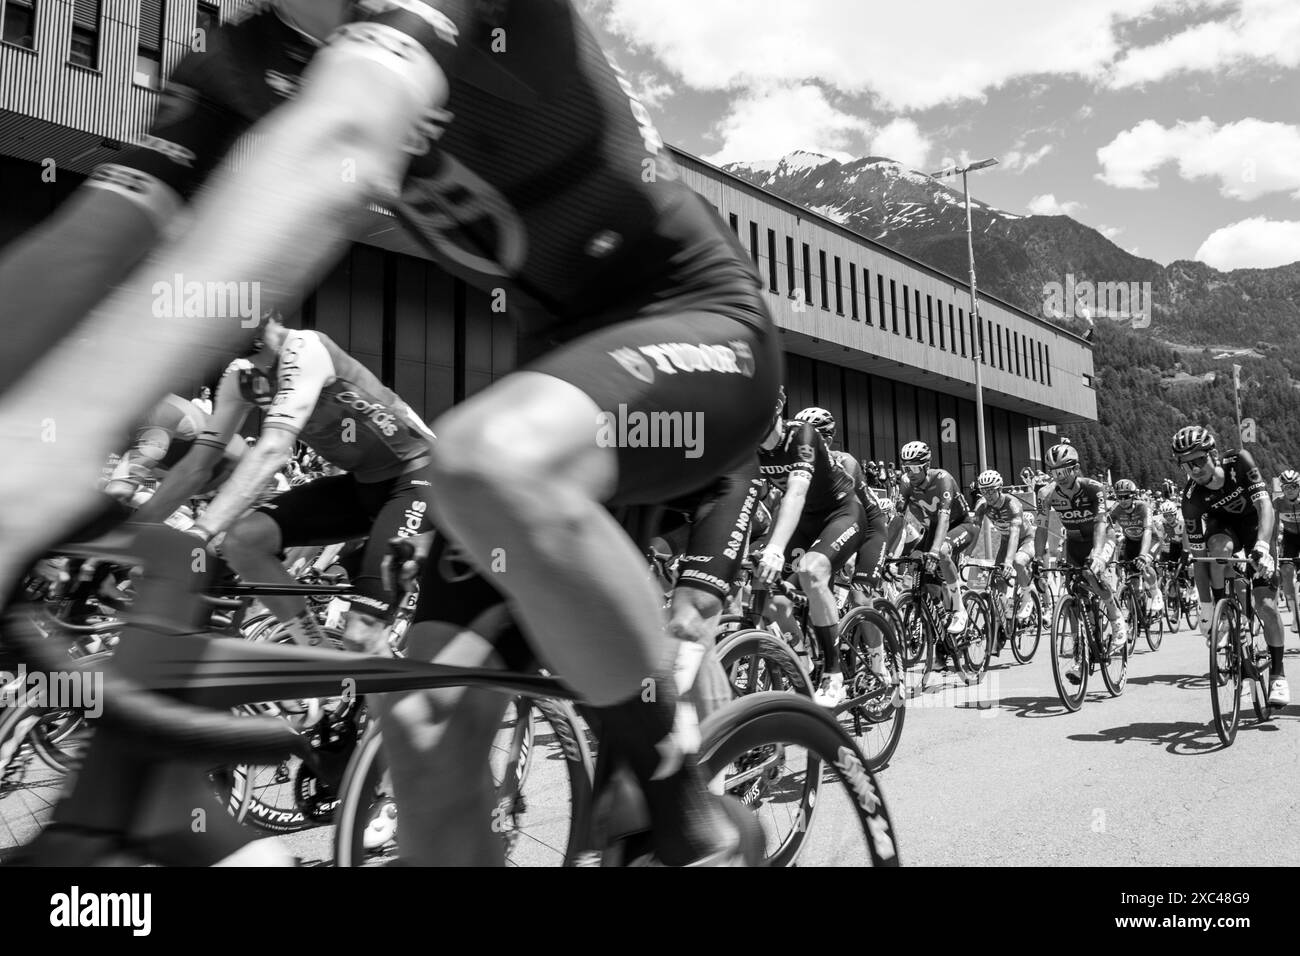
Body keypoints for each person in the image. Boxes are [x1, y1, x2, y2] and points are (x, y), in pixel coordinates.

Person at [0, 0, 777, 866]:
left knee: (484, 463)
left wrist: (51, 436)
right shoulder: (235, 55)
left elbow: (343, 143)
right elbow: (96, 240)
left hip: (697, 327)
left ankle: (685, 821)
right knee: (420, 723)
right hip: (551, 379)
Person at [137, 310, 437, 653]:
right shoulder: (240, 379)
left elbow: (274, 449)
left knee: (362, 636)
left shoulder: (305, 347)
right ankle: (315, 651)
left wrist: (200, 533)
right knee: (243, 541)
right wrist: (130, 533)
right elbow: (196, 466)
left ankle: (378, 679)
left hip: (418, 476)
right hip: (361, 485)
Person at [757, 408, 865, 707]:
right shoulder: (749, 446)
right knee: (771, 597)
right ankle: (803, 661)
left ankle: (834, 675)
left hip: (840, 513)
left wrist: (776, 550)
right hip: (804, 522)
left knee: (811, 570)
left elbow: (795, 493)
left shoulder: (802, 435)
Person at [1173, 426, 1287, 706]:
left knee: (1267, 606)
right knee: (1217, 550)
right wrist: (1206, 609)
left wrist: (1262, 546)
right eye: (1187, 463)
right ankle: (1226, 610)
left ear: (1213, 454)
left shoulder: (1240, 462)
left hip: (1255, 527)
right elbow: (1200, 561)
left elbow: (1265, 507)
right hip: (1223, 529)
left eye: (1199, 459)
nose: (1194, 468)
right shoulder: (1191, 499)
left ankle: (1278, 674)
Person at [1036, 442, 1126, 681]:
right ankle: (1079, 656)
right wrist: (1037, 560)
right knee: (1074, 598)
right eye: (1054, 473)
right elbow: (1041, 529)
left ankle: (1116, 617)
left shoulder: (1093, 488)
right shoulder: (1045, 494)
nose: (1060, 477)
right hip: (1074, 543)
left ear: (1075, 469)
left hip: (1102, 537)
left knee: (1091, 573)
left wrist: (1097, 554)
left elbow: (1099, 522)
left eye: (1064, 471)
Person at [890, 440, 978, 636]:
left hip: (961, 525)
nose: (909, 472)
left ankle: (958, 609)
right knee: (917, 566)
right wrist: (886, 552)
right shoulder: (906, 483)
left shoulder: (942, 478)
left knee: (943, 552)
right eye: (906, 467)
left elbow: (944, 518)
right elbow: (898, 518)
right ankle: (937, 620)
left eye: (914, 467)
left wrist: (935, 551)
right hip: (933, 529)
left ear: (926, 466)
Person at [970, 470, 1037, 636]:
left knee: (1017, 562)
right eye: (984, 491)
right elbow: (974, 530)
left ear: (1000, 488)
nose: (988, 495)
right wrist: (966, 556)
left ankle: (1028, 597)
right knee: (996, 583)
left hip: (1025, 539)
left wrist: (1008, 562)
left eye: (992, 490)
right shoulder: (983, 505)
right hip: (1006, 542)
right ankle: (1003, 619)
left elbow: (1015, 532)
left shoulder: (1013, 504)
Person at [1107, 478, 1163, 614]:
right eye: (1119, 497)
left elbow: (1148, 531)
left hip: (1151, 540)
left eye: (1126, 496)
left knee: (1145, 565)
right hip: (1131, 541)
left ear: (1133, 496)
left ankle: (1156, 594)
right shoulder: (1116, 509)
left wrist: (1144, 555)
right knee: (1133, 578)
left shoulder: (1143, 507)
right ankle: (1136, 613)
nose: (1122, 500)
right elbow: (1105, 525)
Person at [1272, 469, 1300, 637]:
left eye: (1294, 486)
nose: (1290, 490)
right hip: (1289, 539)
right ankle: (1295, 614)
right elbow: (1274, 530)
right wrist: (1273, 549)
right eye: (1286, 487)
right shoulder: (1277, 503)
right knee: (1286, 573)